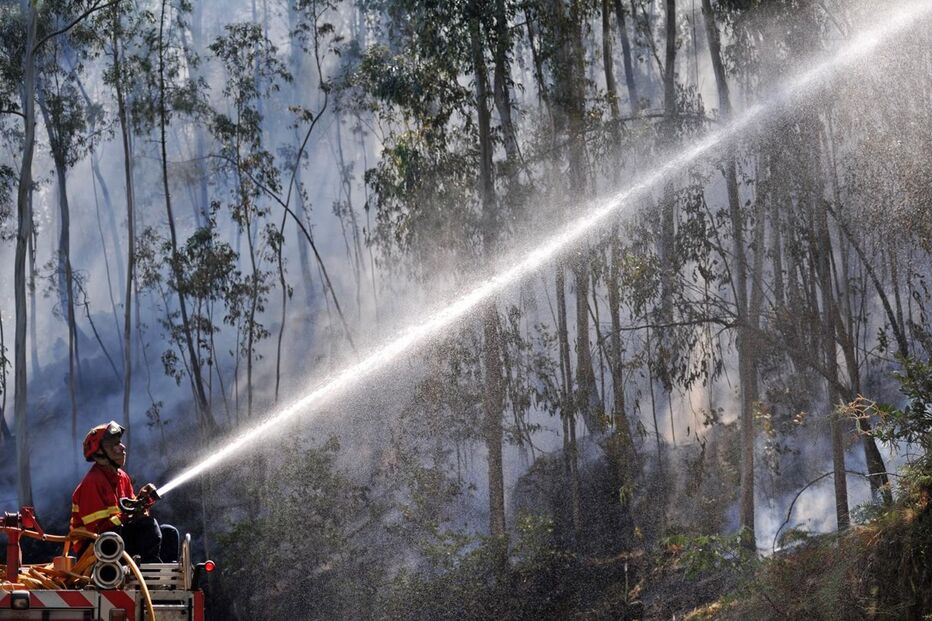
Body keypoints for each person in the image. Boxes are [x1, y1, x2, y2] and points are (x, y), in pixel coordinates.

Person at [71, 421, 178, 563]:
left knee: (169, 532)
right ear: (100, 453)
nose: (122, 447)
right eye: (115, 444)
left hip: (117, 540)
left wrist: (143, 500)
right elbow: (98, 530)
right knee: (147, 525)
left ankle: (165, 579)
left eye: (119, 442)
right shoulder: (91, 483)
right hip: (96, 550)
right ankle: (151, 573)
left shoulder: (122, 477)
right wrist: (131, 514)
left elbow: (131, 510)